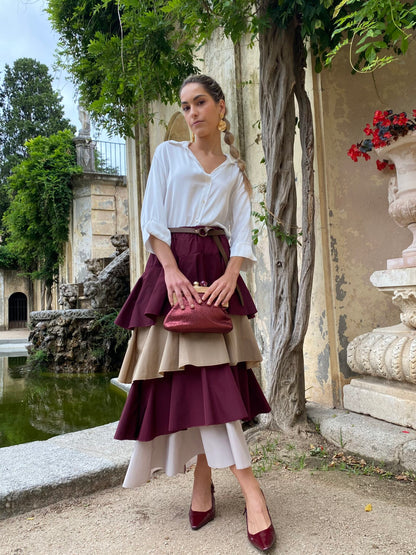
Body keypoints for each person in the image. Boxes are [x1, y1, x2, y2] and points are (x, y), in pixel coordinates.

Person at [114, 74, 275, 552]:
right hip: (175, 271)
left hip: (219, 271)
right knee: (196, 378)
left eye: (200, 102)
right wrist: (169, 271)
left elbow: (243, 229)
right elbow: (152, 216)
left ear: (220, 106)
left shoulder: (234, 169)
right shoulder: (168, 155)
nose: (192, 113)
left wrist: (232, 274)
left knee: (214, 379)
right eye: (185, 106)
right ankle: (249, 492)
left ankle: (212, 483)